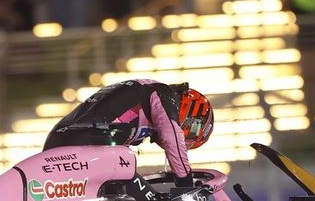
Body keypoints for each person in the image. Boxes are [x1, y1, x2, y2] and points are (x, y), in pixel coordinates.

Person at [43, 79, 213, 187]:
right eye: (193, 130)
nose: (187, 137)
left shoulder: (142, 89)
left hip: (58, 141)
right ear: (191, 110)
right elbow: (172, 139)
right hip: (86, 144)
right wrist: (185, 183)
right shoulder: (163, 94)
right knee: (127, 160)